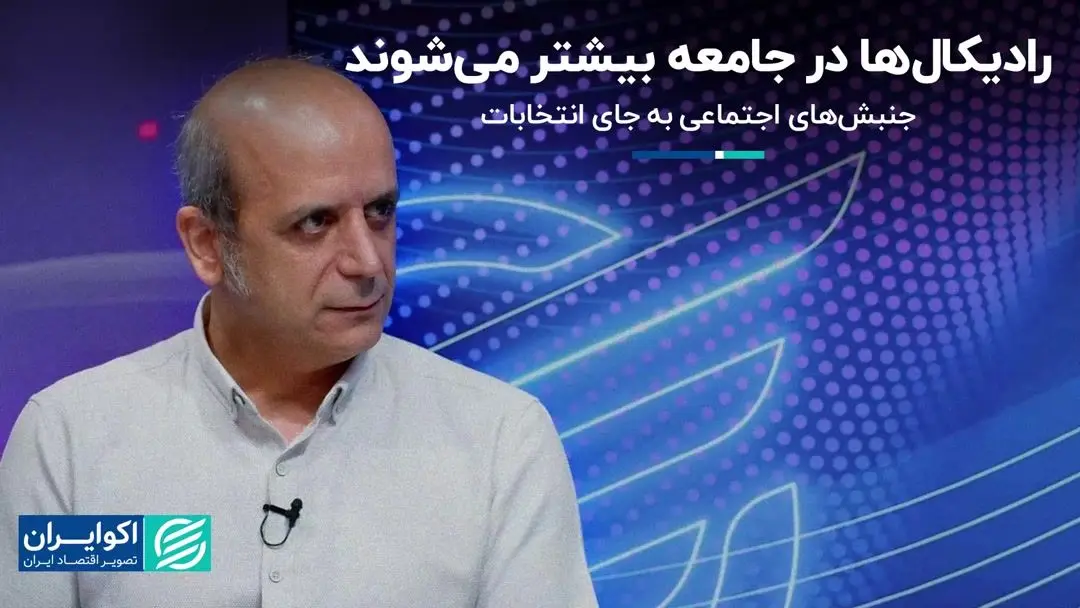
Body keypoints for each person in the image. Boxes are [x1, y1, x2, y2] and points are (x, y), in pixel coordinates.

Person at [0, 57, 599, 607]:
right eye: (315, 222)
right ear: (207, 244)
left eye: (380, 213)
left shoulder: (499, 440)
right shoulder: (72, 438)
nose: (368, 262)